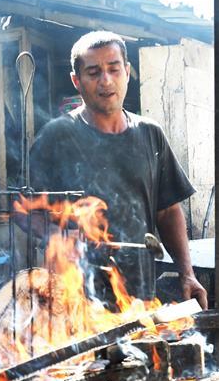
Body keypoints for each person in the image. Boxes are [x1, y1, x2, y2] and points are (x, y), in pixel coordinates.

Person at [29, 30, 207, 308]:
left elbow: (168, 211)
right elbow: (25, 211)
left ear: (127, 72)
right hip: (76, 300)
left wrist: (187, 274)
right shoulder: (56, 136)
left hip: (140, 299)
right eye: (93, 72)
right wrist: (54, 235)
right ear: (77, 81)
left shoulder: (150, 134)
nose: (106, 80)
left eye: (113, 69)